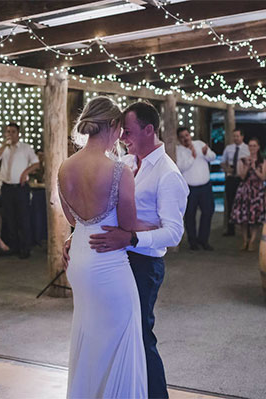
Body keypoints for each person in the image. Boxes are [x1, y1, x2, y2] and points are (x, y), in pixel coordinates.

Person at [84, 100, 187, 399]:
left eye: (127, 131)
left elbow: (174, 233)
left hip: (144, 265)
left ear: (149, 129)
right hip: (117, 259)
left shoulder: (168, 174)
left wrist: (130, 238)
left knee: (141, 336)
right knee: (116, 333)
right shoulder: (127, 163)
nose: (121, 138)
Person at [54, 97, 147, 398]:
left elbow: (72, 219)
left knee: (89, 335)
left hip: (80, 258)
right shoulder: (119, 171)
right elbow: (128, 225)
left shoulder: (64, 168)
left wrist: (76, 234)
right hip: (108, 262)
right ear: (114, 125)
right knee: (122, 335)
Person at [0, 122, 40, 259]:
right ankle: (12, 246)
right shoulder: (3, 148)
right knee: (9, 217)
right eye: (8, 132)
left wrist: (25, 172)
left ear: (18, 133)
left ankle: (25, 248)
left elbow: (36, 163)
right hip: (6, 187)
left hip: (20, 188)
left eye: (13, 132)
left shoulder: (25, 148)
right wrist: (4, 146)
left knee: (23, 217)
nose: (10, 134)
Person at [175, 126, 217, 250]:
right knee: (190, 215)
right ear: (179, 139)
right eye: (182, 137)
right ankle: (192, 241)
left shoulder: (199, 144)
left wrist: (206, 153)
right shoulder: (178, 150)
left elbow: (213, 157)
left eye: (186, 135)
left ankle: (203, 240)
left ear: (190, 135)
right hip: (189, 188)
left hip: (205, 186)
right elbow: (180, 167)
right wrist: (192, 157)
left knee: (208, 212)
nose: (185, 139)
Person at [230, 138, 266, 251]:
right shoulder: (242, 160)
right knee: (244, 217)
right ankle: (245, 240)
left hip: (257, 190)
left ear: (258, 147)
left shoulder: (262, 161)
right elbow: (241, 176)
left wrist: (254, 168)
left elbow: (263, 177)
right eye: (250, 146)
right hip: (245, 190)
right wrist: (247, 166)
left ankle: (252, 241)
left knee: (255, 217)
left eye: (254, 146)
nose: (252, 148)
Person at [221, 129, 249, 237]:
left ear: (242, 137)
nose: (236, 138)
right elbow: (223, 162)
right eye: (234, 136)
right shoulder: (229, 148)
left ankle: (245, 229)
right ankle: (230, 229)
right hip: (231, 178)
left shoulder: (247, 149)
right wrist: (227, 169)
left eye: (237, 136)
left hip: (242, 178)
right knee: (230, 203)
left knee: (244, 203)